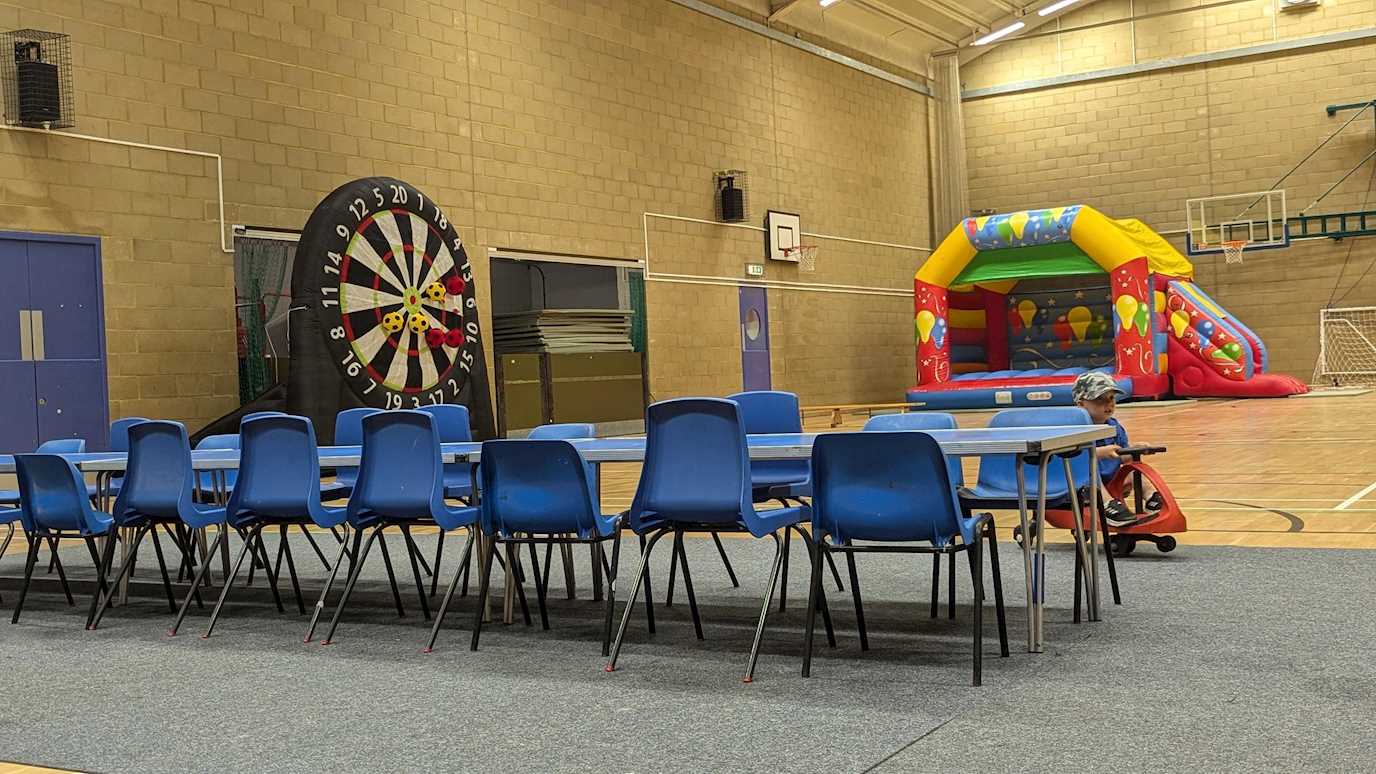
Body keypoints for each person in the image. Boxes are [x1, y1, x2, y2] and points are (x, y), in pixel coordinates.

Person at [1071, 371, 1161, 527]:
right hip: (1083, 485)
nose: (1109, 403)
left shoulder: (1115, 426)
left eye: (1111, 398)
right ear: (1081, 404)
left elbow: (1124, 458)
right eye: (1100, 399)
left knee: (1133, 470)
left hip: (1113, 480)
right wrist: (1100, 453)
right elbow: (1073, 458)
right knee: (1090, 473)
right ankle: (1107, 506)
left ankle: (1151, 497)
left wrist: (1134, 450)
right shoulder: (1075, 429)